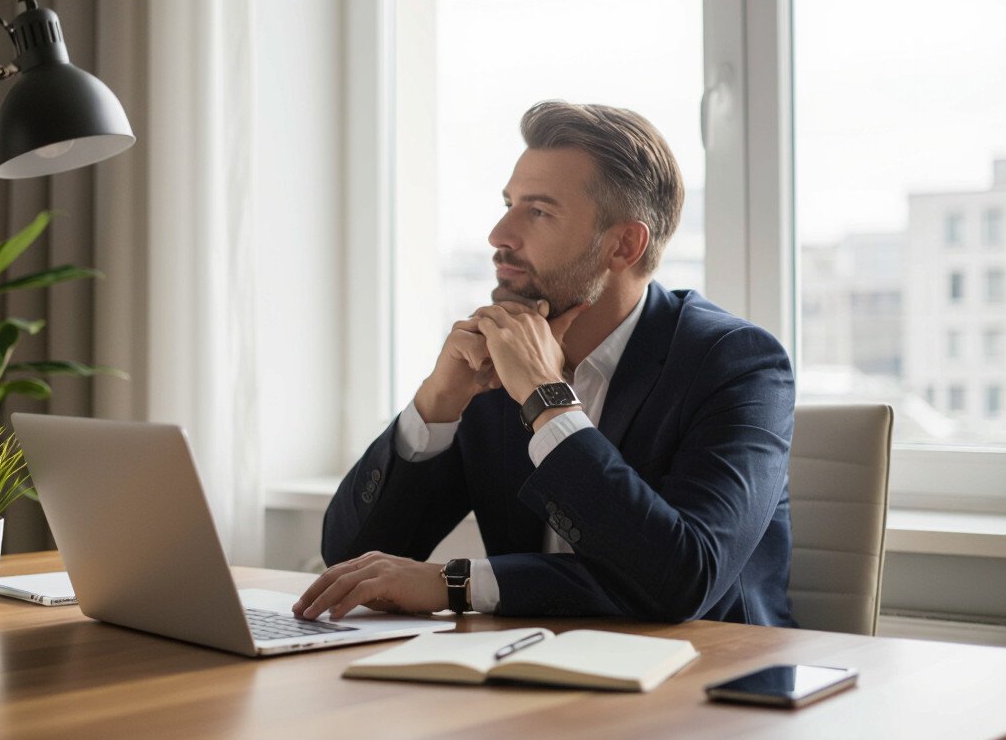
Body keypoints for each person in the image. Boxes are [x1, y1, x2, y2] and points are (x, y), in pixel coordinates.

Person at [294, 100, 795, 626]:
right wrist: (437, 404)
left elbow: (682, 581)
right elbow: (352, 558)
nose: (499, 235)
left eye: (537, 211)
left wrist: (545, 397)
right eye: (508, 203)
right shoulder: (493, 364)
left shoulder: (736, 364)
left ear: (623, 244)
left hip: (711, 680)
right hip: (535, 669)